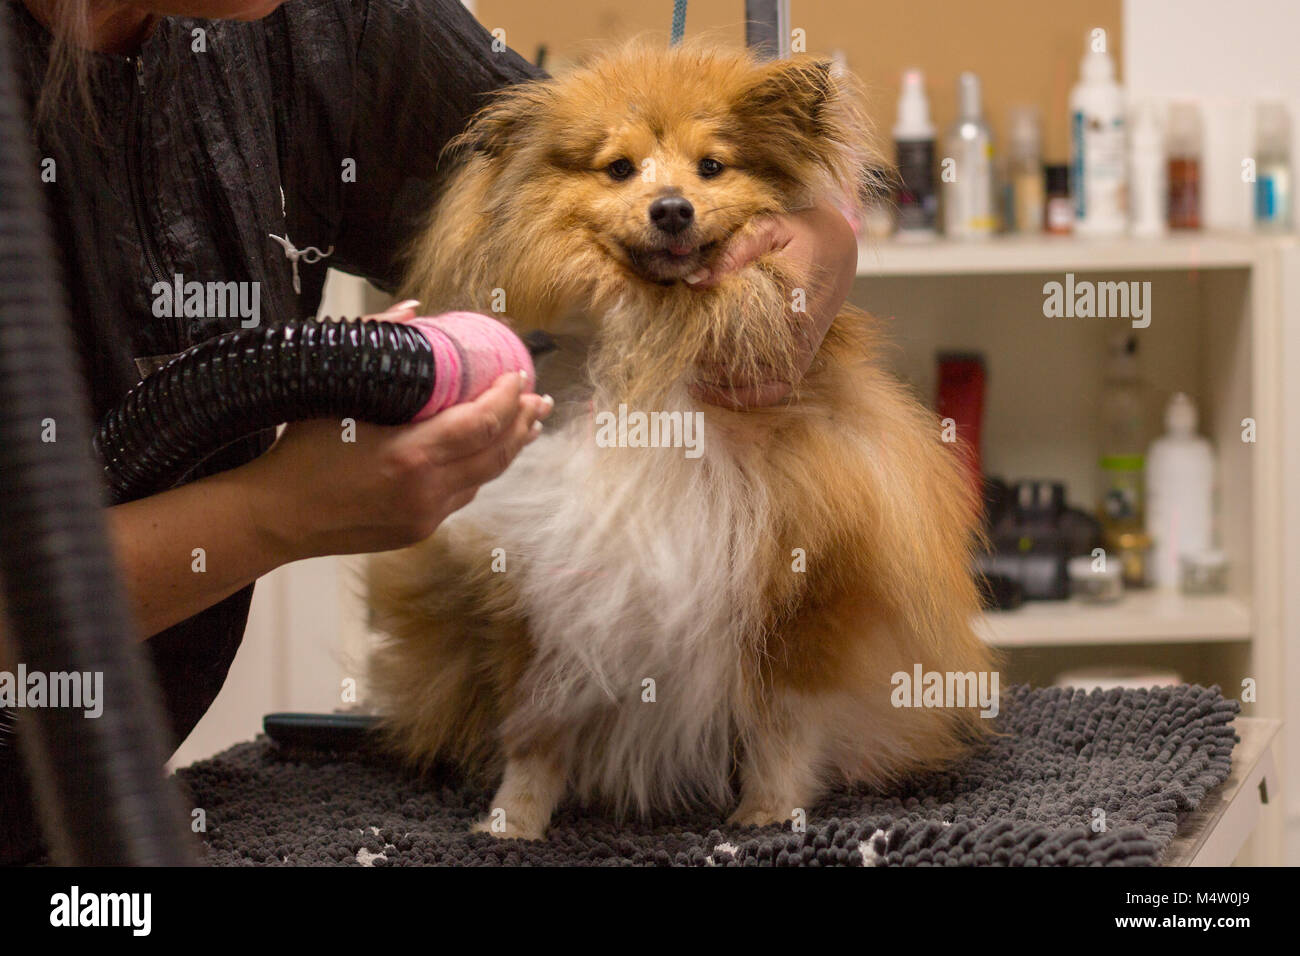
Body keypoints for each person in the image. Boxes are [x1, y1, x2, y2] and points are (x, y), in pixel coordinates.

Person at [0, 0, 858, 863]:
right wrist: (271, 515)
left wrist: (822, 234)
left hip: (107, 798)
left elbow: (571, 147)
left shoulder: (330, 19)